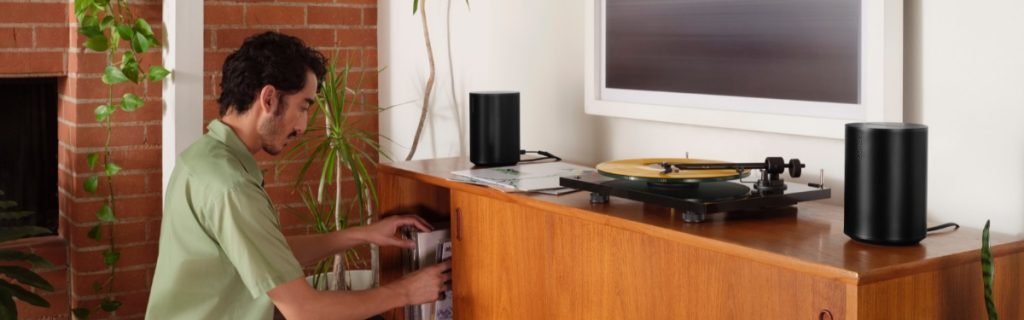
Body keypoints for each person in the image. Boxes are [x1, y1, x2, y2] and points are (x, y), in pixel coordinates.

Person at [146, 32, 450, 319]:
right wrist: (407, 291)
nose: (303, 126)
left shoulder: (201, 158)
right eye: (303, 107)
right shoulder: (231, 186)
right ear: (268, 99)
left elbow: (267, 256)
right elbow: (304, 310)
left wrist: (363, 234)